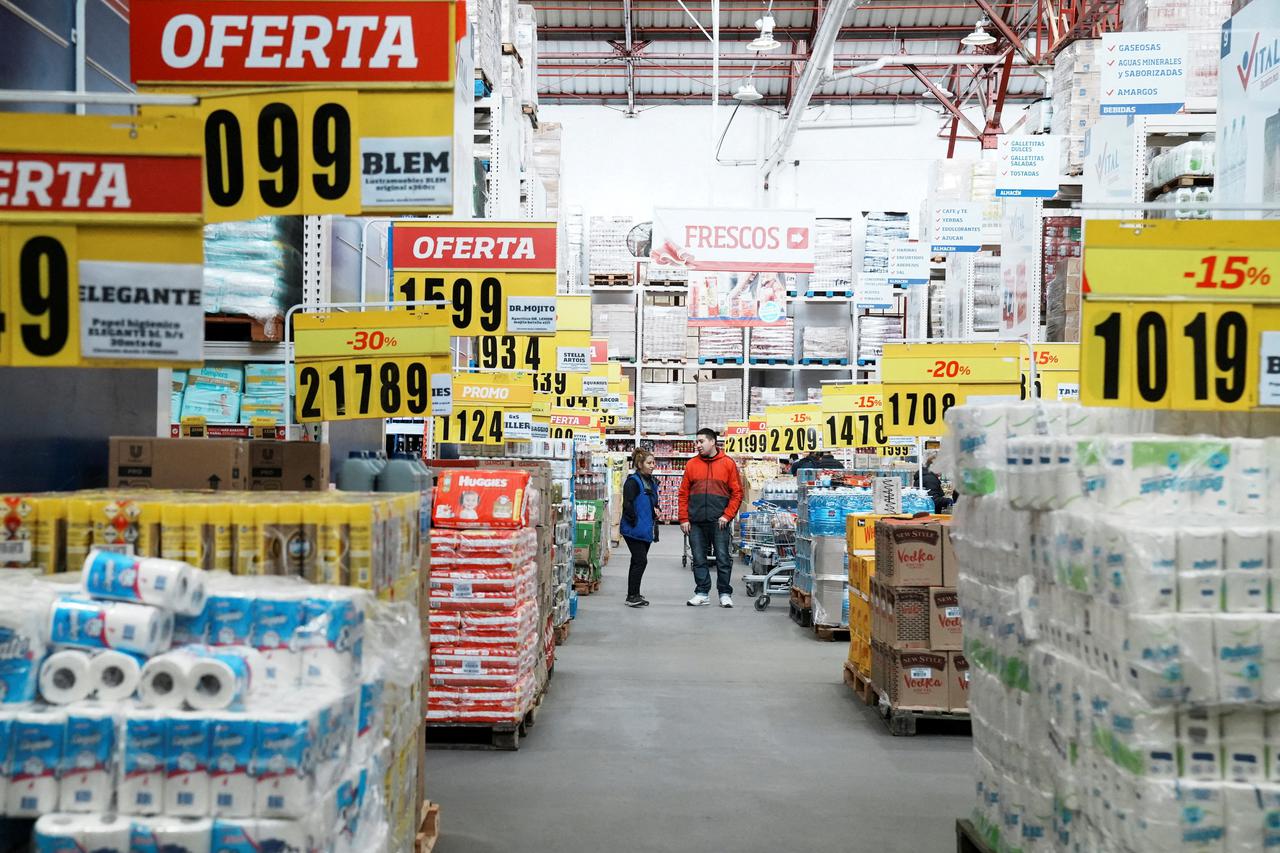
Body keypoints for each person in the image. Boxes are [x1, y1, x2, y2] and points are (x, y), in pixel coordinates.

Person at [678, 428, 744, 608]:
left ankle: (724, 593)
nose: (697, 445)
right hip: (696, 521)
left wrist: (727, 515)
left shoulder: (727, 464)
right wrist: (684, 518)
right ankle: (702, 592)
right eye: (696, 442)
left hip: (719, 521)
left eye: (701, 441)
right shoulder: (692, 464)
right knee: (699, 558)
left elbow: (737, 493)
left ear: (713, 442)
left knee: (723, 558)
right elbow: (683, 493)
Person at [620, 448, 660, 608]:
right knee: (640, 560)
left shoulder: (651, 481)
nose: (653, 465)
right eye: (649, 463)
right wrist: (634, 520)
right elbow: (627, 504)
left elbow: (653, 502)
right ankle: (632, 596)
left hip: (645, 528)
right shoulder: (632, 482)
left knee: (637, 561)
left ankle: (634, 593)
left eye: (653, 462)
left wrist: (656, 510)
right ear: (640, 464)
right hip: (634, 529)